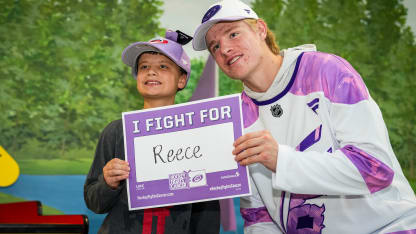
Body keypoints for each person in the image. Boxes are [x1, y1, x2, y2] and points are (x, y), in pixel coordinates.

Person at [192, 0, 416, 233]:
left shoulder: (327, 71)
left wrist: (281, 160)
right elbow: (258, 217)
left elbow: (375, 168)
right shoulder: (236, 118)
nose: (225, 49)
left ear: (260, 29)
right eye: (214, 47)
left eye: (233, 34)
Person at [84, 30, 220, 234]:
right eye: (144, 67)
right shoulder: (116, 131)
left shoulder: (197, 135)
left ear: (181, 80)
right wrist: (108, 183)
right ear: (137, 77)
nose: (151, 72)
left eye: (163, 66)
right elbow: (94, 202)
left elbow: (207, 211)